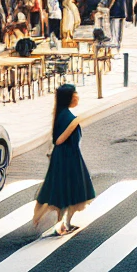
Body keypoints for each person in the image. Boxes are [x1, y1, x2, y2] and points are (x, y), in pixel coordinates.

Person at [33, 84, 95, 235]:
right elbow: (58, 140)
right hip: (67, 158)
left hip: (68, 157)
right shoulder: (67, 117)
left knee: (65, 190)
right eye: (75, 94)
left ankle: (63, 223)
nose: (77, 97)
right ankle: (61, 224)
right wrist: (75, 122)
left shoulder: (62, 114)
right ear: (69, 98)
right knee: (68, 190)